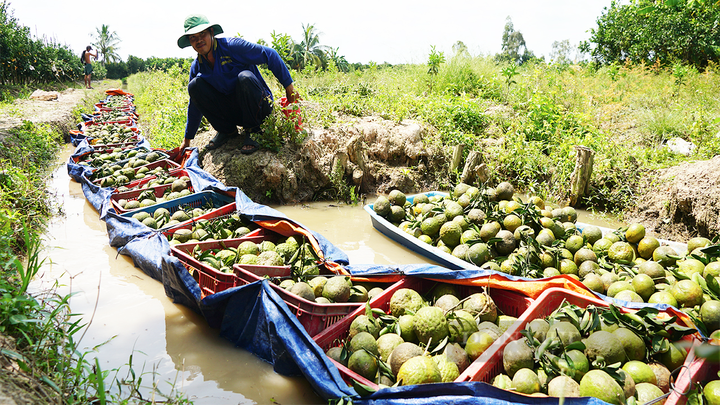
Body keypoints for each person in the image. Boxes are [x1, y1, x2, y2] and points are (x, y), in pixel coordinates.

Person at [177, 14, 298, 154]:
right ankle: (227, 131)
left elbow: (270, 54)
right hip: (235, 111)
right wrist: (187, 139)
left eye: (202, 34)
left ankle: (254, 131)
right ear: (190, 42)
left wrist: (289, 88)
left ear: (211, 33)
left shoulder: (231, 47)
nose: (199, 40)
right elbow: (195, 103)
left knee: (244, 77)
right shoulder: (198, 66)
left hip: (259, 107)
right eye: (193, 37)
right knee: (194, 86)